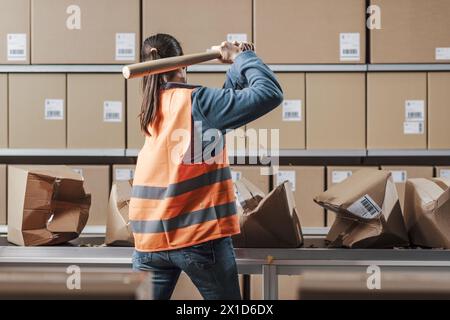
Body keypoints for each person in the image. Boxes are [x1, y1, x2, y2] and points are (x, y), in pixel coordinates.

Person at [130, 33, 283, 300]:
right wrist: (243, 58)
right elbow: (269, 93)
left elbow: (223, 108)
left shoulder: (151, 106)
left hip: (148, 239)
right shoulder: (195, 102)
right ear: (183, 65)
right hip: (196, 236)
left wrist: (237, 67)